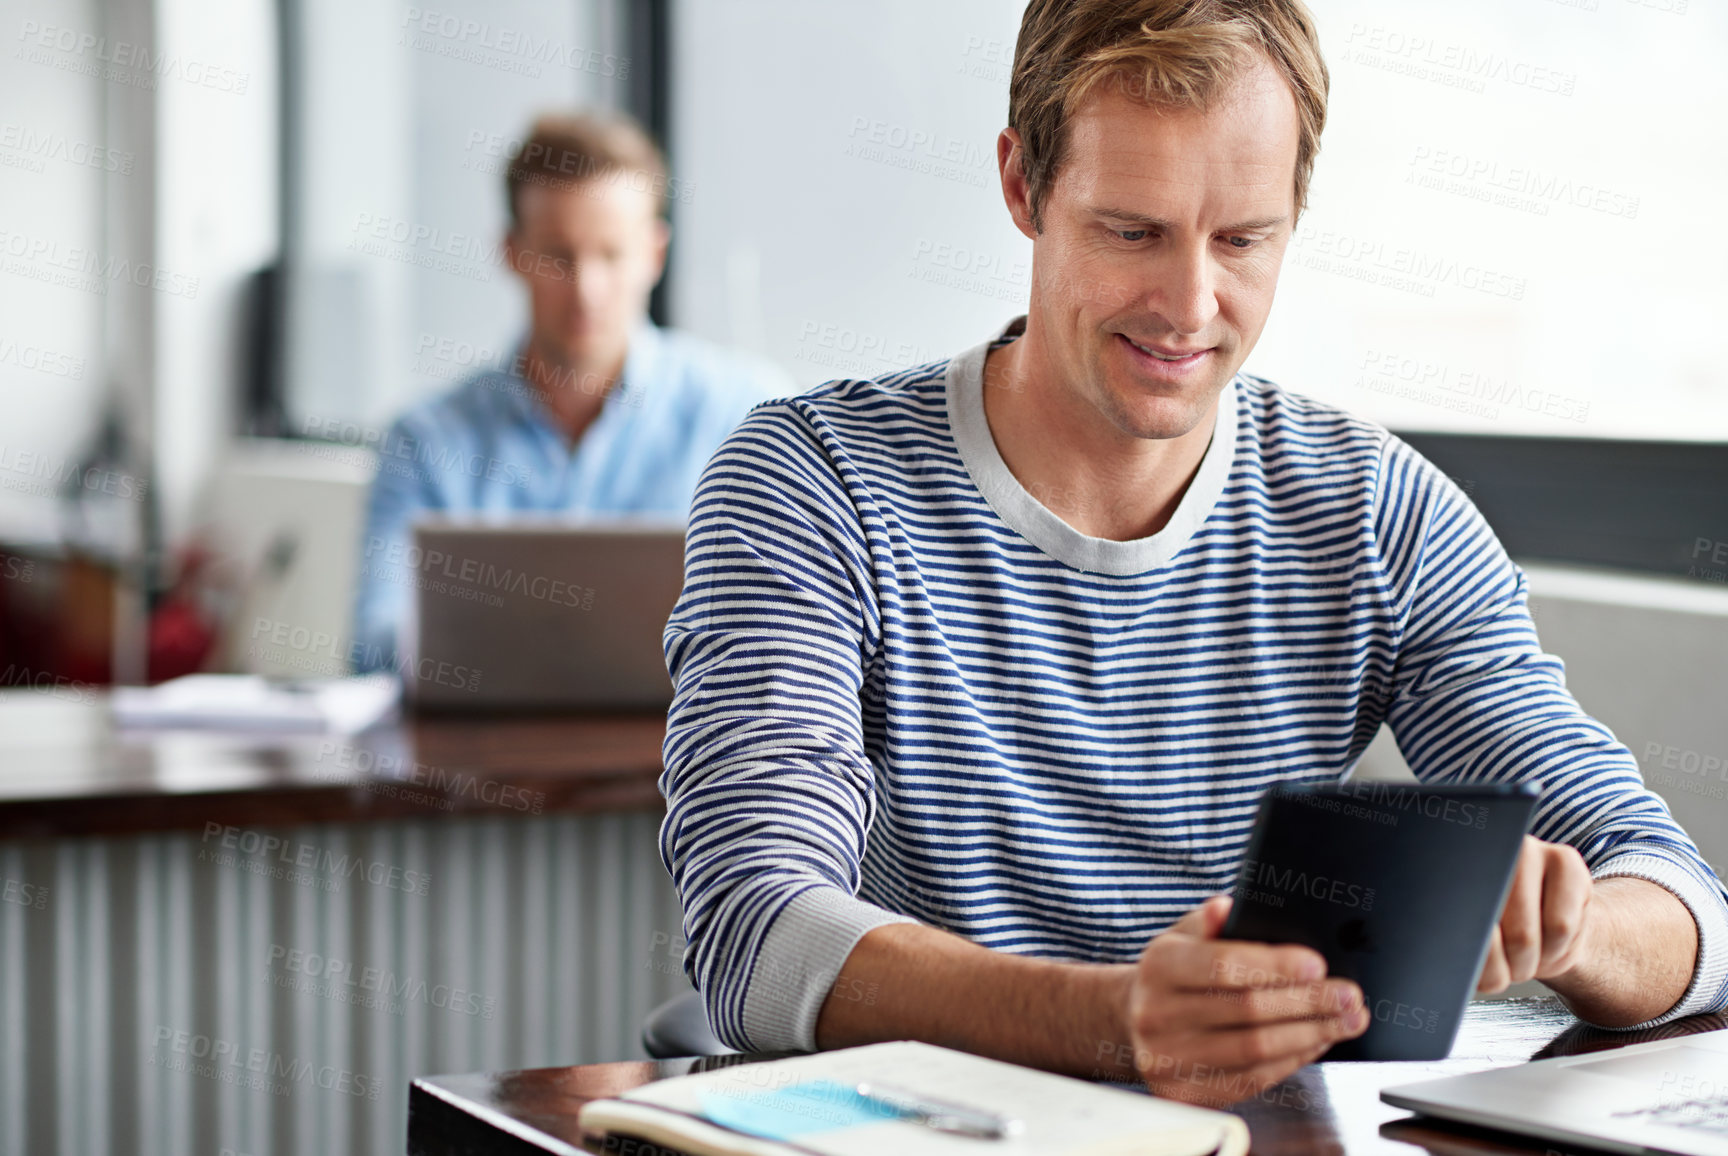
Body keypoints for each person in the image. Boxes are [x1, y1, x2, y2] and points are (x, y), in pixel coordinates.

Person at [659, 0, 1727, 1110]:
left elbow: (1690, 906)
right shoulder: (812, 480)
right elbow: (756, 928)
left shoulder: (1383, 518)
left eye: (1243, 239)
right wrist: (1113, 1024)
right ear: (1024, 187)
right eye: (1133, 231)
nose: (1188, 308)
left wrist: (1575, 927)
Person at [352, 112, 792, 672]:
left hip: (678, 756)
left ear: (654, 255)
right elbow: (372, 645)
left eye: (611, 255)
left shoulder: (745, 413)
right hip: (481, 753)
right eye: (559, 256)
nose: (587, 290)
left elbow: (787, 631)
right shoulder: (424, 440)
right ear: (512, 252)